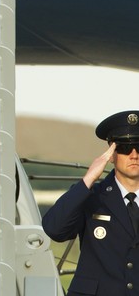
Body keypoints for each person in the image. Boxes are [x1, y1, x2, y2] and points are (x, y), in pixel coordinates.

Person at [43, 110, 139, 295]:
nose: (134, 155)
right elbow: (54, 229)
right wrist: (88, 180)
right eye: (125, 148)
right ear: (111, 154)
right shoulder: (91, 197)